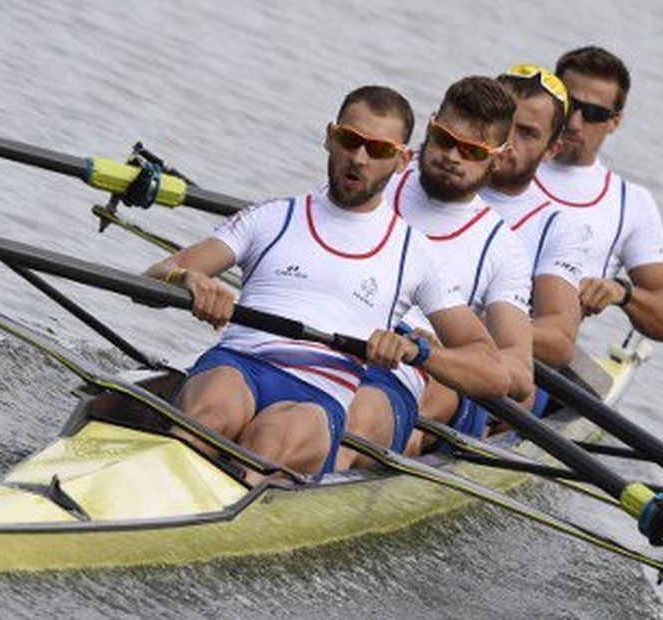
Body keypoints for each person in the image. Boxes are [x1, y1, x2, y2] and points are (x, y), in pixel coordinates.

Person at [144, 85, 510, 480]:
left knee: (269, 443)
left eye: (379, 150)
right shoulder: (270, 217)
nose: (359, 158)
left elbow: (494, 373)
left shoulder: (414, 253)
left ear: (402, 160)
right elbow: (156, 275)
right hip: (240, 363)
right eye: (350, 141)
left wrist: (415, 352)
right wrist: (190, 279)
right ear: (329, 137)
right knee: (209, 412)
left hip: (317, 395)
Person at [336, 76, 532, 468]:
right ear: (429, 125)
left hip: (423, 370)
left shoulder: (501, 247)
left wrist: (442, 354)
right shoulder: (374, 175)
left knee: (405, 410)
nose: (453, 157)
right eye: (444, 139)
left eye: (472, 151)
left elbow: (519, 373)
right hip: (341, 333)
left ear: (499, 156)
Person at [535, 46, 663, 344]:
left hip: (536, 353)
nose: (575, 122)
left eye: (594, 113)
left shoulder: (629, 204)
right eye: (569, 104)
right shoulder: (503, 155)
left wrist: (622, 292)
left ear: (614, 122)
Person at [483, 65, 587, 372]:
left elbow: (559, 340)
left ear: (551, 150)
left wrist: (473, 323)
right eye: (503, 123)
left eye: (527, 133)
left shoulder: (555, 227)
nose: (507, 140)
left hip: (477, 355)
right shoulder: (419, 173)